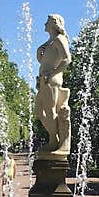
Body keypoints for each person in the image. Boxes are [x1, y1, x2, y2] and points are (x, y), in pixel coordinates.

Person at [35, 14, 72, 154]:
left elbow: (67, 59)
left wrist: (52, 74)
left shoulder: (59, 39)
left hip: (51, 80)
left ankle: (54, 140)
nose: (45, 24)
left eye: (47, 22)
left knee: (50, 111)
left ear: (54, 24)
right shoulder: (50, 41)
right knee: (39, 111)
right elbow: (46, 61)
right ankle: (53, 137)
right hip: (44, 80)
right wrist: (39, 54)